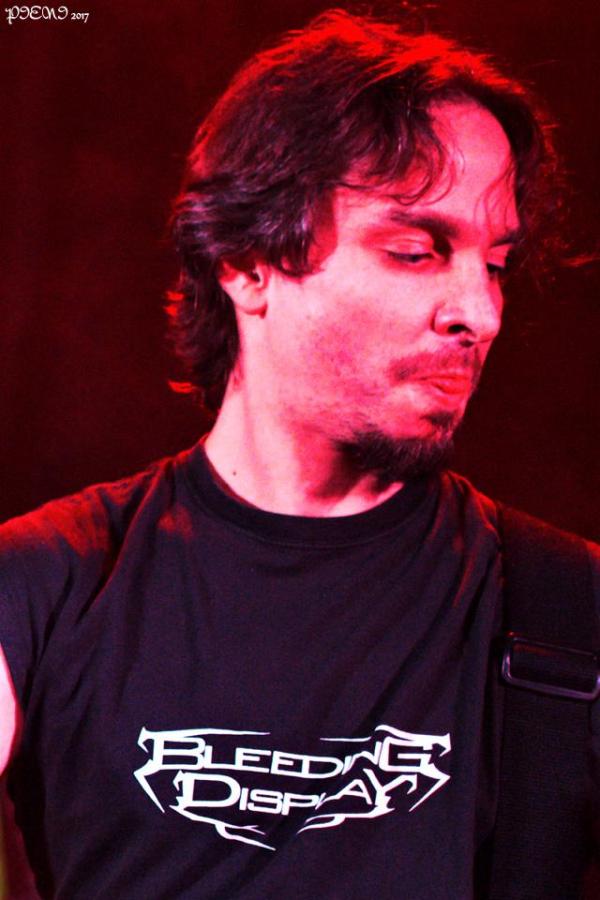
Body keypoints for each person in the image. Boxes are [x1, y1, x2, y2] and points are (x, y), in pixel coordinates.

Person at [0, 9, 598, 899]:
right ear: (247, 261)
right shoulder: (45, 581)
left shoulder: (569, 606)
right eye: (416, 251)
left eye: (496, 264)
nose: (480, 313)